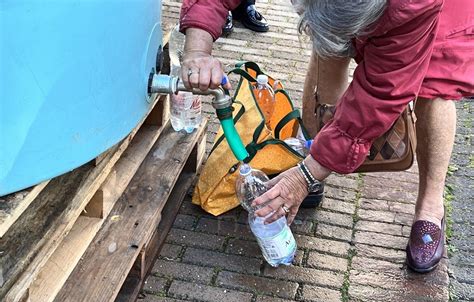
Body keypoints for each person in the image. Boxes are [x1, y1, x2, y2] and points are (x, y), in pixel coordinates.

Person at [178, 0, 474, 273]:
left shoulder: (413, 5)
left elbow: (380, 94)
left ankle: (430, 205)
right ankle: (309, 164)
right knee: (329, 51)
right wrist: (197, 50)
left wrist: (305, 175)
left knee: (437, 81)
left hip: (432, 13)